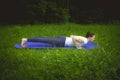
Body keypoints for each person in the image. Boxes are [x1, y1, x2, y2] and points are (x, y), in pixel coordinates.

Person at [21, 32, 95, 49]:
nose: (94, 39)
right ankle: (25, 39)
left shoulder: (84, 40)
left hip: (63, 39)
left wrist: (77, 45)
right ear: (90, 37)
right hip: (62, 41)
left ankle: (26, 40)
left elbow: (72, 35)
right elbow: (73, 38)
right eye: (93, 37)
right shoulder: (85, 40)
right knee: (44, 40)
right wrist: (77, 47)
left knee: (45, 39)